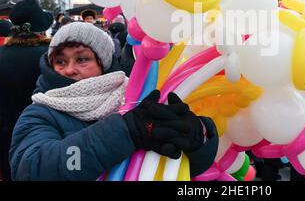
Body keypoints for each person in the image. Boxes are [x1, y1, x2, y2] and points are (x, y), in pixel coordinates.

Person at [9, 22, 218, 180]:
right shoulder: (41, 112)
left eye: (82, 59)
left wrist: (198, 139)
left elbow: (184, 166)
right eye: (60, 61)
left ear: (105, 63)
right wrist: (125, 132)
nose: (69, 69)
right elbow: (33, 169)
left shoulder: (135, 96)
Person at [0, 0, 53, 181]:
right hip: (43, 131)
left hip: (6, 133)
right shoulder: (50, 55)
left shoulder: (2, 54)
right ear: (40, 28)